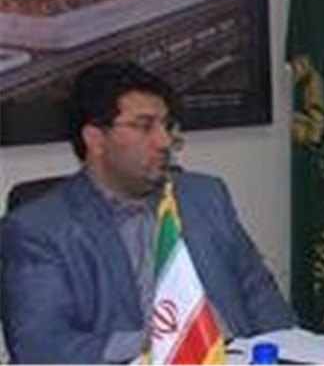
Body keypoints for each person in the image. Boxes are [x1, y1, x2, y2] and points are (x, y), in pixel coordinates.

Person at [0, 61, 296, 363]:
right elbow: (41, 346)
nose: (164, 141)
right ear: (95, 139)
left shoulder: (204, 196)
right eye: (144, 126)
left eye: (166, 125)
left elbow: (257, 290)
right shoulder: (39, 229)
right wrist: (166, 343)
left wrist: (287, 350)